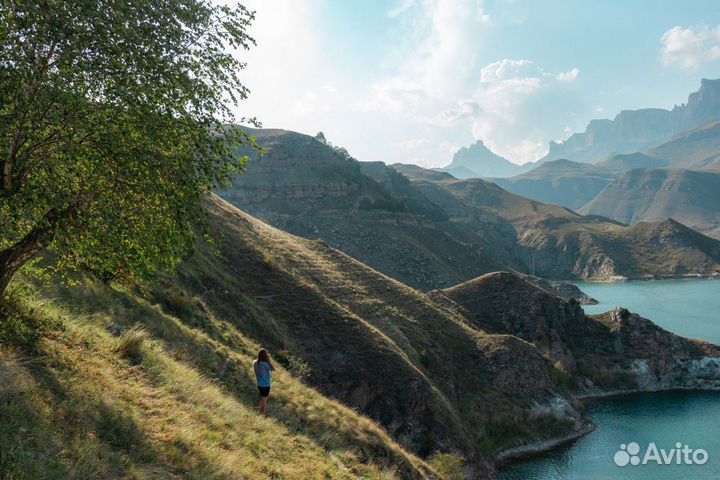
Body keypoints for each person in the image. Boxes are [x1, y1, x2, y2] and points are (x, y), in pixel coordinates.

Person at [253, 348, 274, 416]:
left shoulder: (254, 362)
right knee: (264, 400)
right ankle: (263, 415)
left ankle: (262, 412)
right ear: (265, 356)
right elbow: (273, 369)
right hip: (266, 385)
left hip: (259, 384)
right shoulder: (266, 364)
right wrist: (268, 360)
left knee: (263, 399)